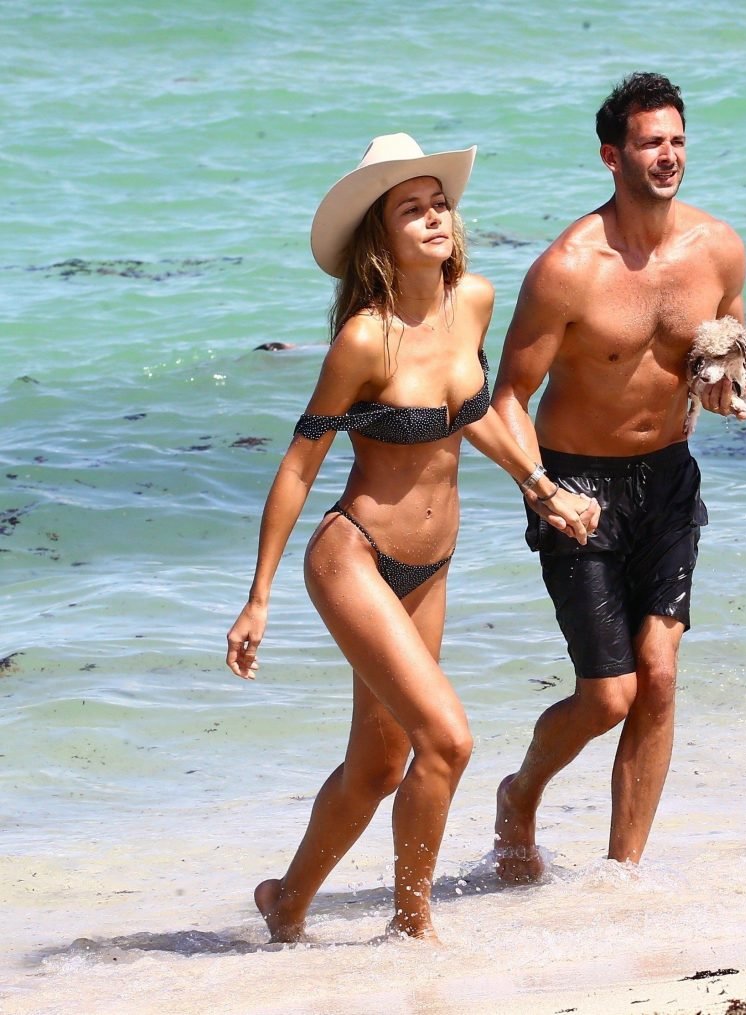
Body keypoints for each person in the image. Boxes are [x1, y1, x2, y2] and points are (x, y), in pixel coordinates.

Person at [225, 133, 598, 942]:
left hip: (430, 565)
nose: (434, 219)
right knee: (447, 740)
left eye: (440, 204)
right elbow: (298, 465)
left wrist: (541, 489)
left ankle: (286, 905)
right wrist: (258, 597)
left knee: (377, 767)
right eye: (412, 209)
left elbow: (473, 414)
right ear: (381, 236)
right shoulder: (364, 339)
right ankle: (412, 927)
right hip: (354, 554)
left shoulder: (475, 301)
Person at [491, 72, 746, 881]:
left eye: (676, 140)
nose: (667, 155)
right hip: (581, 488)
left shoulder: (717, 248)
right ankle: (519, 793)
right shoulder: (568, 269)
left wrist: (730, 387)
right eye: (649, 143)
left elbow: (730, 350)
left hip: (669, 478)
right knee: (608, 695)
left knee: (660, 675)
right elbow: (507, 399)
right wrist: (541, 488)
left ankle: (622, 876)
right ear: (613, 156)